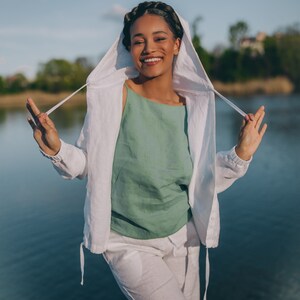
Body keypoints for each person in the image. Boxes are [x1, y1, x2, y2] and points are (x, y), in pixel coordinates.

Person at [27, 1, 267, 299]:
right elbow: (88, 165)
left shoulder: (192, 107)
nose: (149, 48)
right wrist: (57, 149)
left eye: (160, 38)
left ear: (178, 44)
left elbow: (201, 179)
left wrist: (240, 154)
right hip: (128, 244)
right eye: (138, 41)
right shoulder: (116, 97)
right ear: (129, 48)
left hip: (184, 238)